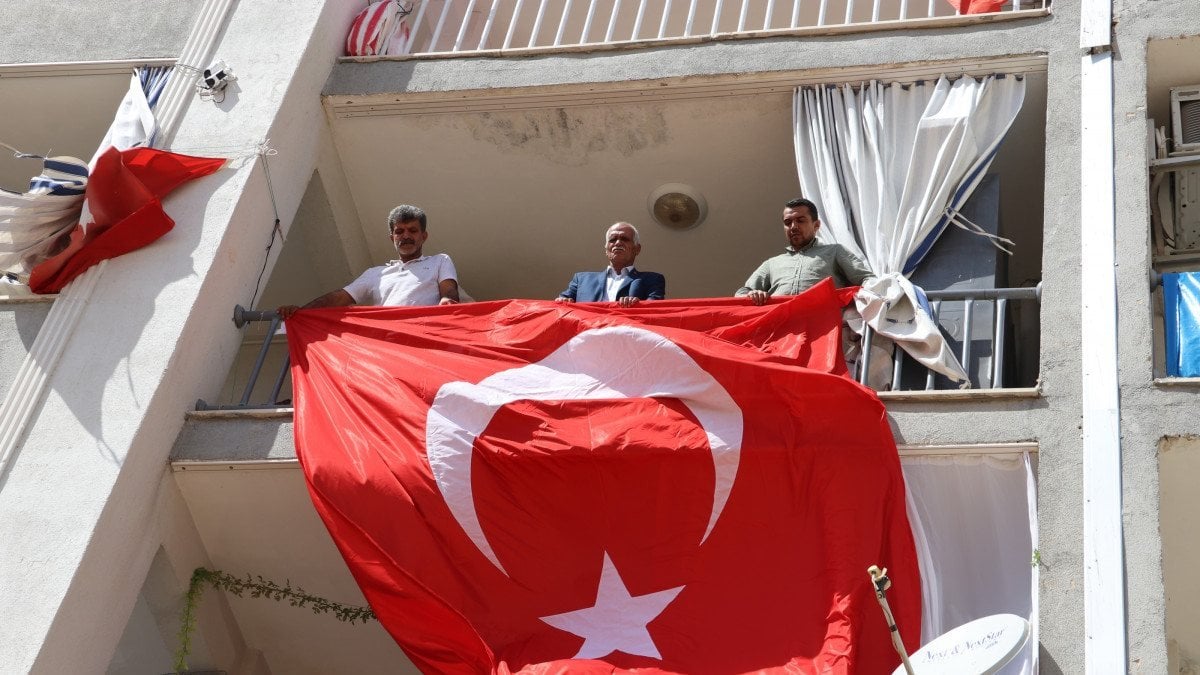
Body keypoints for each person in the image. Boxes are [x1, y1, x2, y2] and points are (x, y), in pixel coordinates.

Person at [277, 204, 458, 319]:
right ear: (392, 238)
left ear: (424, 236)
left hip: (424, 339)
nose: (406, 236)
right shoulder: (375, 273)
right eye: (399, 231)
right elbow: (340, 297)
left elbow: (449, 292)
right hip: (386, 344)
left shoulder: (439, 261)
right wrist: (301, 311)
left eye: (412, 230)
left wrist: (447, 301)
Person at [736, 197, 873, 305]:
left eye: (800, 220)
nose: (793, 227)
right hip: (781, 333)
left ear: (816, 225)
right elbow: (741, 293)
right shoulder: (772, 263)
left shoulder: (835, 251)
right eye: (788, 222)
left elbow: (867, 280)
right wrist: (753, 295)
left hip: (823, 330)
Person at [555, 222, 666, 307]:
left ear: (637, 249)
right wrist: (563, 301)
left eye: (624, 239)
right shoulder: (581, 280)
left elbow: (653, 309)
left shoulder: (653, 280)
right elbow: (560, 304)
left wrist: (638, 306)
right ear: (606, 249)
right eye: (613, 240)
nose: (618, 243)